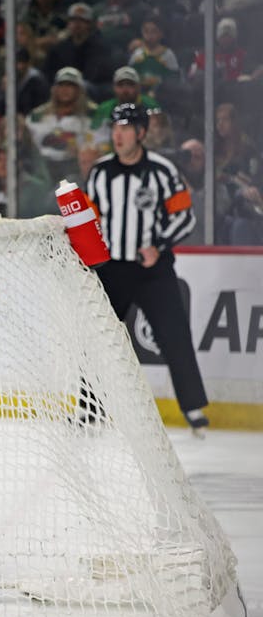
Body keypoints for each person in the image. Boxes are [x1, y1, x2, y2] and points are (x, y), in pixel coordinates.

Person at [83, 103, 208, 433]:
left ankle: (194, 408)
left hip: (154, 269)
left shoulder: (162, 171)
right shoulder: (99, 172)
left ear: (140, 133)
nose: (118, 135)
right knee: (99, 337)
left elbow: (185, 216)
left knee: (175, 335)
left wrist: (159, 245)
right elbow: (90, 221)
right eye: (114, 129)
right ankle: (89, 407)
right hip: (113, 270)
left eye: (125, 128)